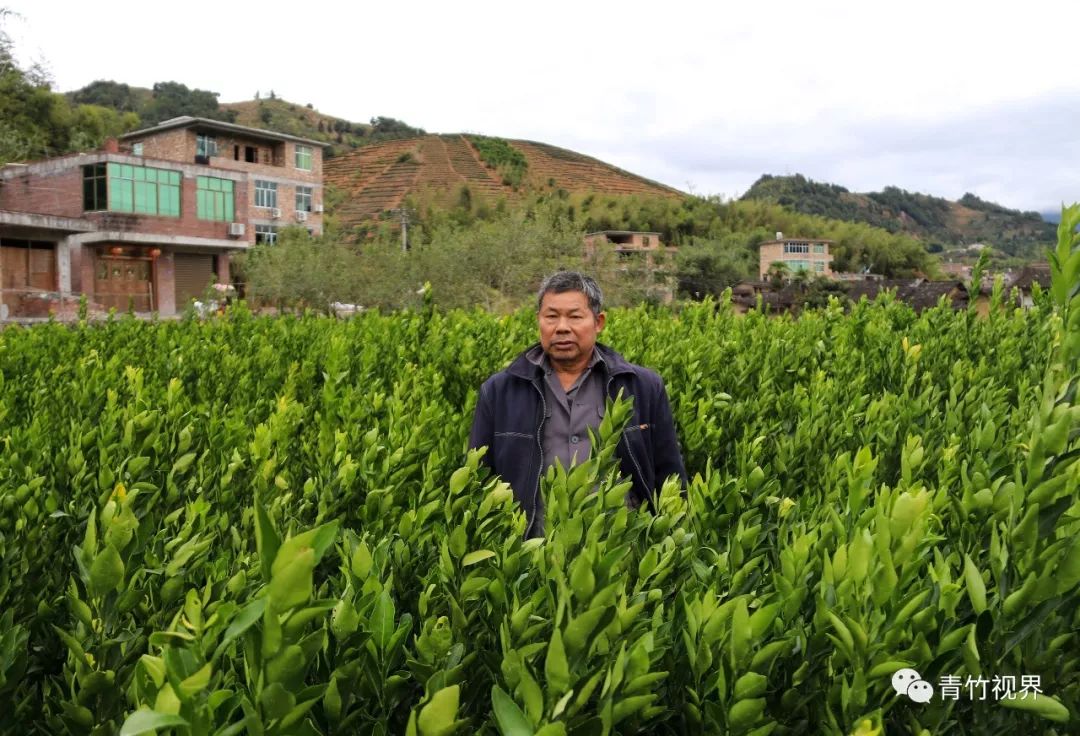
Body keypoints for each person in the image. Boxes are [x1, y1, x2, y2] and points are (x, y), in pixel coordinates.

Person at [469, 271, 687, 537]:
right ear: (538, 320)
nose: (562, 327)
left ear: (598, 322)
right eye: (551, 316)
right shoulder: (500, 391)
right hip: (531, 553)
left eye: (574, 316)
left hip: (620, 550)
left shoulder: (641, 387)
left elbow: (670, 475)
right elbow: (478, 479)